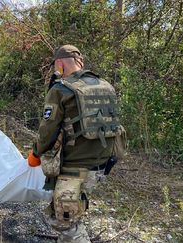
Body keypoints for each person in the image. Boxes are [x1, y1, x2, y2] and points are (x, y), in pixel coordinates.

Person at [27, 45, 126, 242]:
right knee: (74, 209)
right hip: (102, 165)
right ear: (81, 62)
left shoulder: (61, 89)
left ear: (59, 64)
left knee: (63, 220)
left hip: (75, 167)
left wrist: (36, 154)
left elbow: (47, 131)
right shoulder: (105, 85)